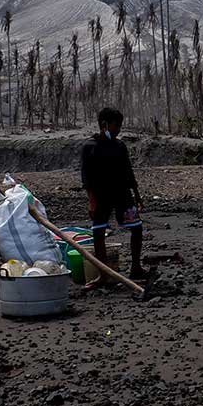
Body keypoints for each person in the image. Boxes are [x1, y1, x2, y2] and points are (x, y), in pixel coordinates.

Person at [80, 107, 147, 286]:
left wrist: (137, 196)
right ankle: (103, 274)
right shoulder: (90, 147)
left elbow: (128, 172)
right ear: (105, 125)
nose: (118, 129)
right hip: (101, 196)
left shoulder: (119, 146)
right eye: (116, 126)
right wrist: (92, 201)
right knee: (99, 232)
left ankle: (136, 267)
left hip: (122, 193)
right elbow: (86, 178)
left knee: (137, 228)